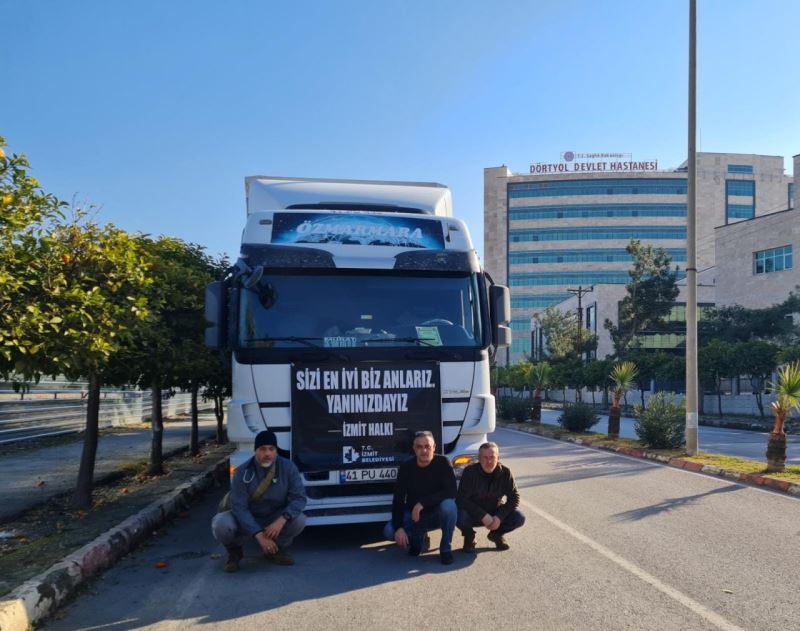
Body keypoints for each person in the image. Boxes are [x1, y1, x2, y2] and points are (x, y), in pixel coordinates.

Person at [211, 430, 307, 572]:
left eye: (271, 449)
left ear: (276, 451)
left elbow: (299, 498)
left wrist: (282, 519)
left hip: (273, 517)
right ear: (255, 451)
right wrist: (259, 535)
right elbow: (239, 508)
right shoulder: (241, 472)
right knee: (221, 524)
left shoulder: (288, 468)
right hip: (246, 518)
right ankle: (234, 552)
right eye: (262, 449)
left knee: (299, 520)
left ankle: (275, 550)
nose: (267, 453)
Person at [383, 430, 458, 565]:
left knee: (449, 506)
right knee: (389, 531)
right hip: (414, 516)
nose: (424, 450)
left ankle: (446, 548)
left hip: (436, 514)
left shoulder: (443, 462)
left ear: (434, 447)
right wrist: (399, 527)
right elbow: (398, 499)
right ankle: (419, 538)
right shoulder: (406, 467)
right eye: (419, 446)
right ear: (414, 449)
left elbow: (452, 491)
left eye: (427, 446)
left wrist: (422, 503)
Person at [456, 441, 525, 552]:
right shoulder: (470, 472)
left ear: (498, 458)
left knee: (519, 517)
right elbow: (461, 499)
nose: (489, 461)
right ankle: (469, 536)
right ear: (479, 458)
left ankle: (496, 535)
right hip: (473, 514)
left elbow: (514, 497)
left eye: (492, 457)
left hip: (495, 513)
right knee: (457, 515)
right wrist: (482, 515)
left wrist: (499, 517)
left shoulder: (506, 472)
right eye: (485, 457)